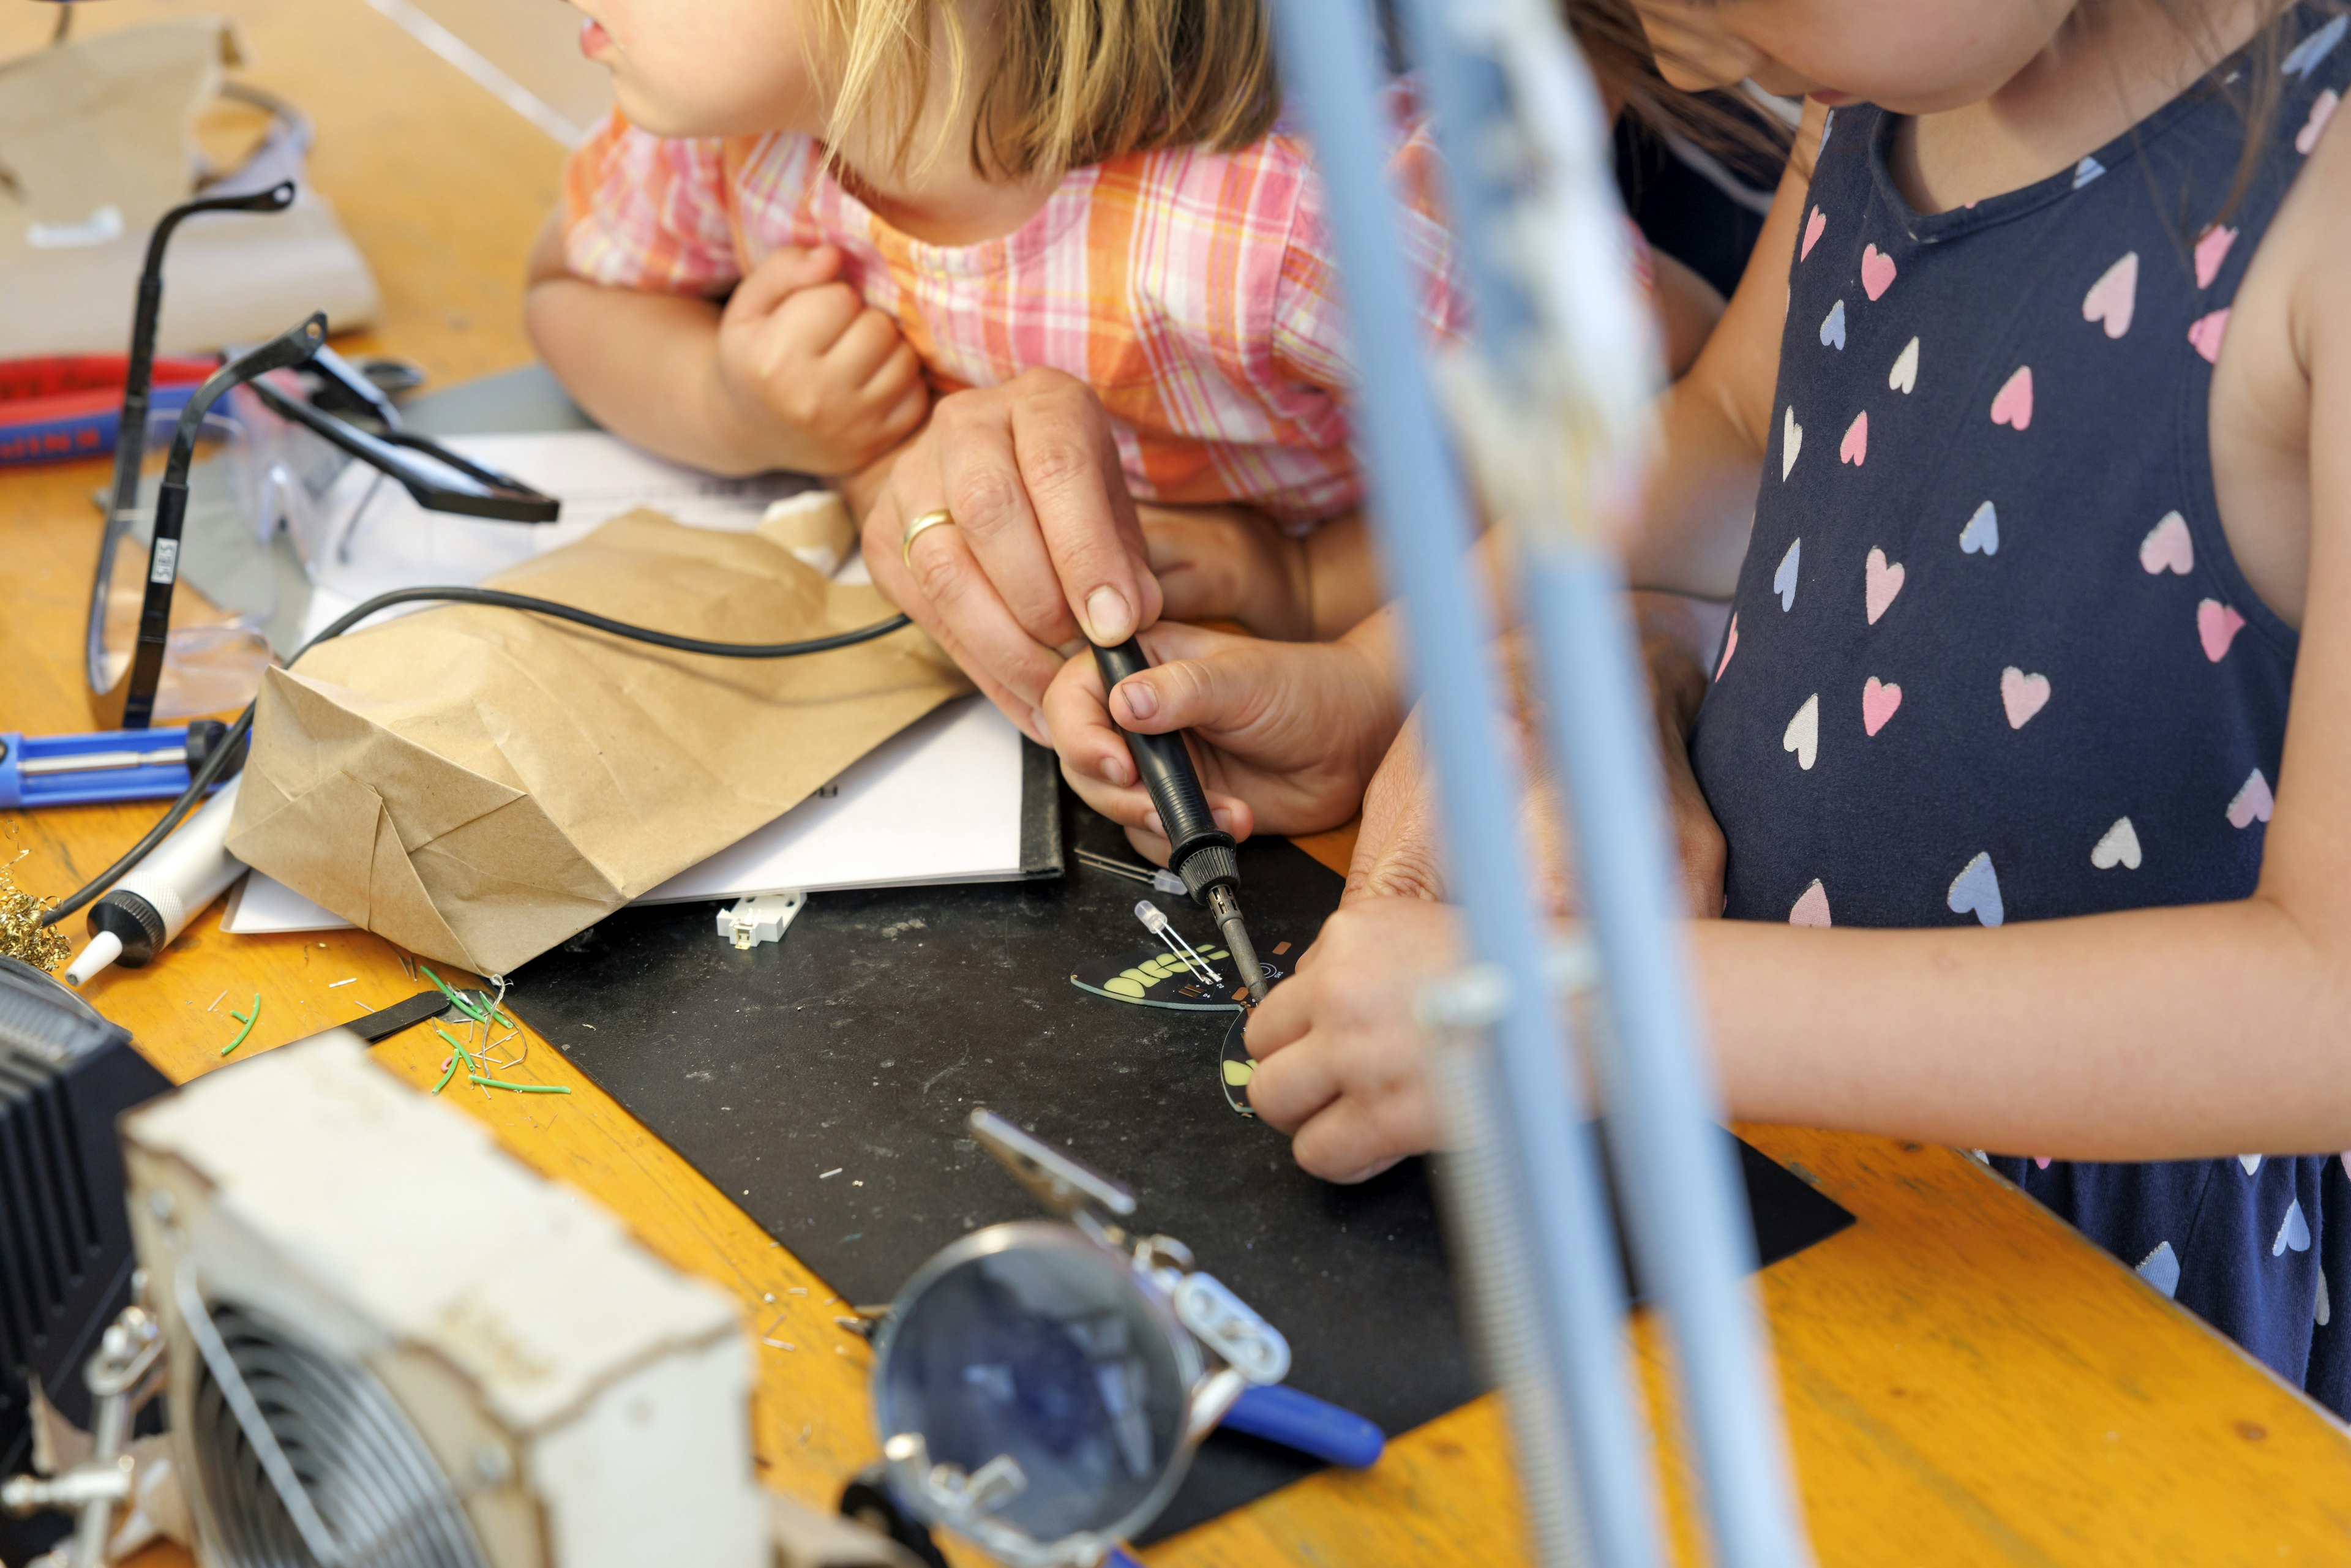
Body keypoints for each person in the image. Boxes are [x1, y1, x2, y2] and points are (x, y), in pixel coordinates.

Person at [1089, 0, 2351, 1414]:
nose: (1682, 64)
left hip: (2098, 1311)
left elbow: (2328, 1000)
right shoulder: (1885, 83)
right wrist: (1380, 675)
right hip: (1788, 1171)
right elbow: (1740, 435)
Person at [525, 0, 1727, 757]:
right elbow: (564, 293)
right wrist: (730, 409)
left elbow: (1674, 413)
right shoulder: (732, 131)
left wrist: (1308, 582)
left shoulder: (1295, 221)